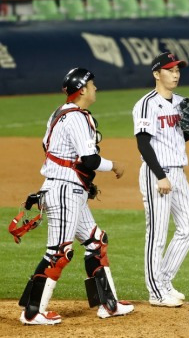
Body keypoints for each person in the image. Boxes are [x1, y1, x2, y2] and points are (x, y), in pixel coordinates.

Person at [18, 68, 134, 325]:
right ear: (82, 89)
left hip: (70, 188)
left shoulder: (59, 113)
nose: (95, 88)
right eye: (92, 85)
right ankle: (32, 311)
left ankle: (109, 305)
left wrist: (79, 177)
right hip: (64, 191)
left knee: (96, 241)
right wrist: (115, 165)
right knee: (58, 252)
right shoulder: (77, 118)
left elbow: (54, 150)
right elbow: (90, 159)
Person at [132, 52, 189, 307]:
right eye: (170, 70)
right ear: (157, 73)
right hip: (156, 172)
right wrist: (160, 175)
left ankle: (165, 280)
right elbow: (142, 142)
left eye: (178, 69)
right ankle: (156, 292)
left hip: (178, 172)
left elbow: (178, 138)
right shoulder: (146, 104)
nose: (176, 73)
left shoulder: (181, 102)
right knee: (157, 234)